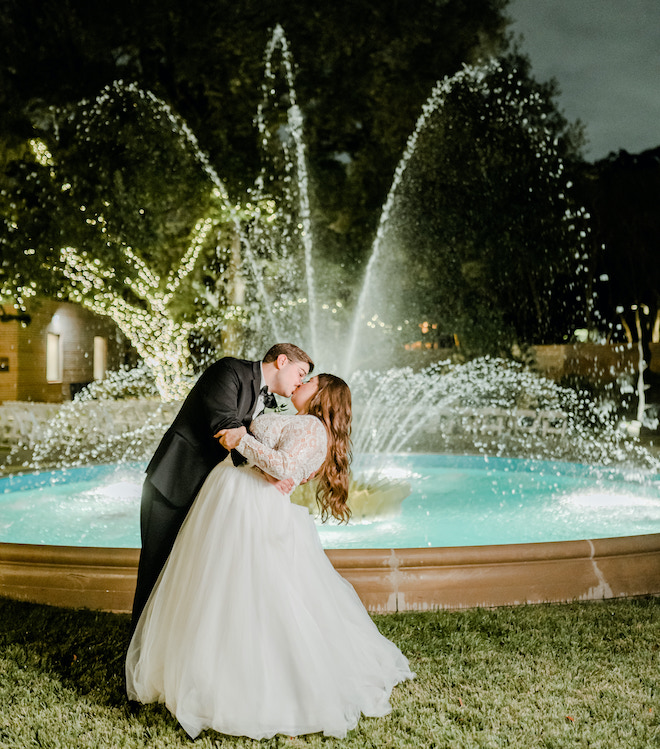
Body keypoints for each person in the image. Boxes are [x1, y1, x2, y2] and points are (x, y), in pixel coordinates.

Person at [126, 373, 414, 740]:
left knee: (247, 594)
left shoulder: (311, 426)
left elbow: (286, 468)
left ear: (322, 394)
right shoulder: (305, 423)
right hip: (237, 501)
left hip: (248, 508)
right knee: (224, 591)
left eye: (310, 381)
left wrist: (242, 439)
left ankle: (246, 686)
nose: (301, 384)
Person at [130, 343, 314, 630]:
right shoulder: (229, 370)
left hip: (208, 494)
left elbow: (262, 441)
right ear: (281, 361)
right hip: (175, 484)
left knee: (184, 576)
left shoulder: (267, 399)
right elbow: (225, 424)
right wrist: (267, 467)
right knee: (156, 570)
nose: (300, 382)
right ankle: (136, 653)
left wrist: (291, 467)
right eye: (300, 373)